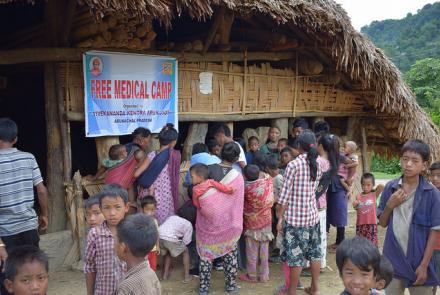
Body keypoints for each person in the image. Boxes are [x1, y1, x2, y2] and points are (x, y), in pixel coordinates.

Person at [378, 139, 440, 294]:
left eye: (414, 161)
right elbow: (383, 223)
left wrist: (424, 265)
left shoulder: (432, 194)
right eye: (405, 159)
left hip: (419, 261)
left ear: (424, 165)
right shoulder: (391, 188)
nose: (408, 164)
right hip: (393, 260)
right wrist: (390, 206)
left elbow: (434, 231)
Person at [0, 118, 49, 295]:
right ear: (15, 139)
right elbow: (42, 190)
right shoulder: (29, 158)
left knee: (9, 277)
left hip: (5, 233)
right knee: (33, 273)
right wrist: (44, 215)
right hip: (29, 228)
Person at [276, 130, 323, 295]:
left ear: (298, 146)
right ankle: (315, 288)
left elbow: (283, 197)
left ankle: (292, 291)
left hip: (295, 220)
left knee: (295, 258)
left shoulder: (293, 165)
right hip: (312, 217)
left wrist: (279, 217)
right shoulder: (319, 163)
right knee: (315, 254)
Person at [196, 142, 245, 294]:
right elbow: (237, 201)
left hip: (207, 222)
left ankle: (204, 288)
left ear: (220, 153)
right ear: (237, 158)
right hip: (229, 224)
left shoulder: (208, 170)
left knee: (205, 255)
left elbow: (198, 192)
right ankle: (230, 285)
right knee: (230, 252)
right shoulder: (238, 177)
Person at [84, 184, 129, 295]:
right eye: (107, 207)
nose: (112, 213)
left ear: (126, 207)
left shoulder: (132, 232)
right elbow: (90, 266)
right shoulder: (94, 234)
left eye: (117, 207)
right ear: (101, 208)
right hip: (103, 291)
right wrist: (90, 293)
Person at [135, 123, 181, 224]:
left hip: (150, 192)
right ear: (173, 142)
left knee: (149, 220)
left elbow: (136, 174)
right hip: (166, 194)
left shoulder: (151, 155)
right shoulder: (174, 155)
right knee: (165, 221)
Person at [239, 164, 274, 283]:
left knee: (251, 250)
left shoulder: (246, 188)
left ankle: (252, 276)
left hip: (252, 223)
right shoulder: (268, 180)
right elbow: (267, 175)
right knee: (264, 249)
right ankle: (264, 275)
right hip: (266, 220)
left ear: (245, 176)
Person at [115, 214, 161, 295]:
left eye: (116, 239)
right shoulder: (151, 273)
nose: (114, 244)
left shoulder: (126, 287)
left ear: (123, 247)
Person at [159, 206, 196, 283]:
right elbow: (185, 243)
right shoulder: (188, 224)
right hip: (169, 238)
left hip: (159, 236)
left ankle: (164, 276)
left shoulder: (172, 217)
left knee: (168, 253)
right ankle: (187, 277)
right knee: (185, 251)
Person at [327, 135, 349, 252]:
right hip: (328, 189)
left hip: (339, 188)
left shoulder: (340, 157)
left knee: (340, 214)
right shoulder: (326, 156)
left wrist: (349, 179)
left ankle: (341, 241)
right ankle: (333, 241)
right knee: (328, 214)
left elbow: (353, 164)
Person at [353, 173, 380, 246]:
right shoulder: (358, 196)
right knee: (360, 243)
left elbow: (381, 186)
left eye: (368, 185)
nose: (365, 187)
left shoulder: (374, 195)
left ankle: (373, 256)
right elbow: (356, 208)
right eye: (363, 185)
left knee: (372, 243)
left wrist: (373, 189)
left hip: (372, 224)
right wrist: (355, 204)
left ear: (373, 185)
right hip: (360, 224)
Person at [140, 196, 160, 272]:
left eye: (152, 210)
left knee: (153, 267)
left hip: (153, 249)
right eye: (147, 210)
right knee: (144, 268)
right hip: (143, 250)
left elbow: (156, 234)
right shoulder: (140, 221)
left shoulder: (154, 221)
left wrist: (157, 246)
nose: (150, 212)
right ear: (142, 209)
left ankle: (152, 282)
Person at [429, 161, 440, 295]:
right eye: (433, 175)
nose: (435, 178)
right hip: (430, 245)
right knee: (431, 278)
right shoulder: (429, 194)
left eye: (439, 175)